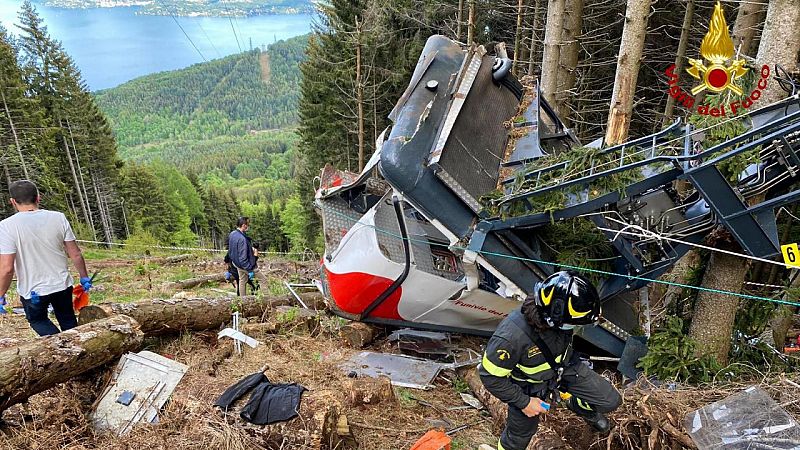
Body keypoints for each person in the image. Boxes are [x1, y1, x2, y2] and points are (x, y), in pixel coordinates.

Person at [479, 271, 622, 450]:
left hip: (564, 368)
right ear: (553, 317)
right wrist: (524, 402)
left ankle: (576, 404)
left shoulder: (559, 314)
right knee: (518, 438)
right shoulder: (511, 337)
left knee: (610, 400)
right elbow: (489, 376)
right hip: (528, 387)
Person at [0, 180, 92, 336]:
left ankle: (61, 347)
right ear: (38, 198)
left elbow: (7, 268)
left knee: (38, 320)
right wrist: (84, 277)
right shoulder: (58, 218)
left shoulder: (7, 226)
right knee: (68, 319)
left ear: (13, 202)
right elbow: (75, 253)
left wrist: (1, 294)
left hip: (33, 291)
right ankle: (76, 348)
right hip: (61, 284)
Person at [227, 216, 264, 296]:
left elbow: (230, 251)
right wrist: (250, 270)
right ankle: (268, 300)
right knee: (263, 280)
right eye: (248, 224)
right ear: (244, 225)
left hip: (237, 264)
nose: (248, 226)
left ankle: (243, 301)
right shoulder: (242, 239)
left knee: (242, 281)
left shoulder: (232, 234)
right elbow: (243, 257)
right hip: (245, 265)